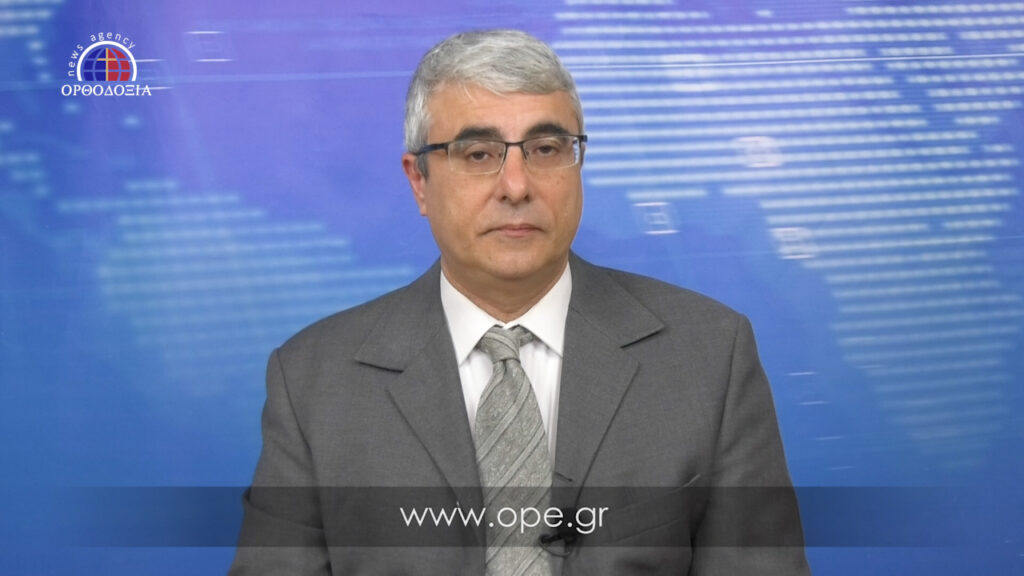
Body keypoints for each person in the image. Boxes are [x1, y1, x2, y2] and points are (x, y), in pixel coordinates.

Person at [229, 29, 810, 575]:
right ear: (419, 181)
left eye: (546, 148)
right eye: (478, 154)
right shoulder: (313, 381)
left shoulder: (710, 355)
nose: (516, 186)